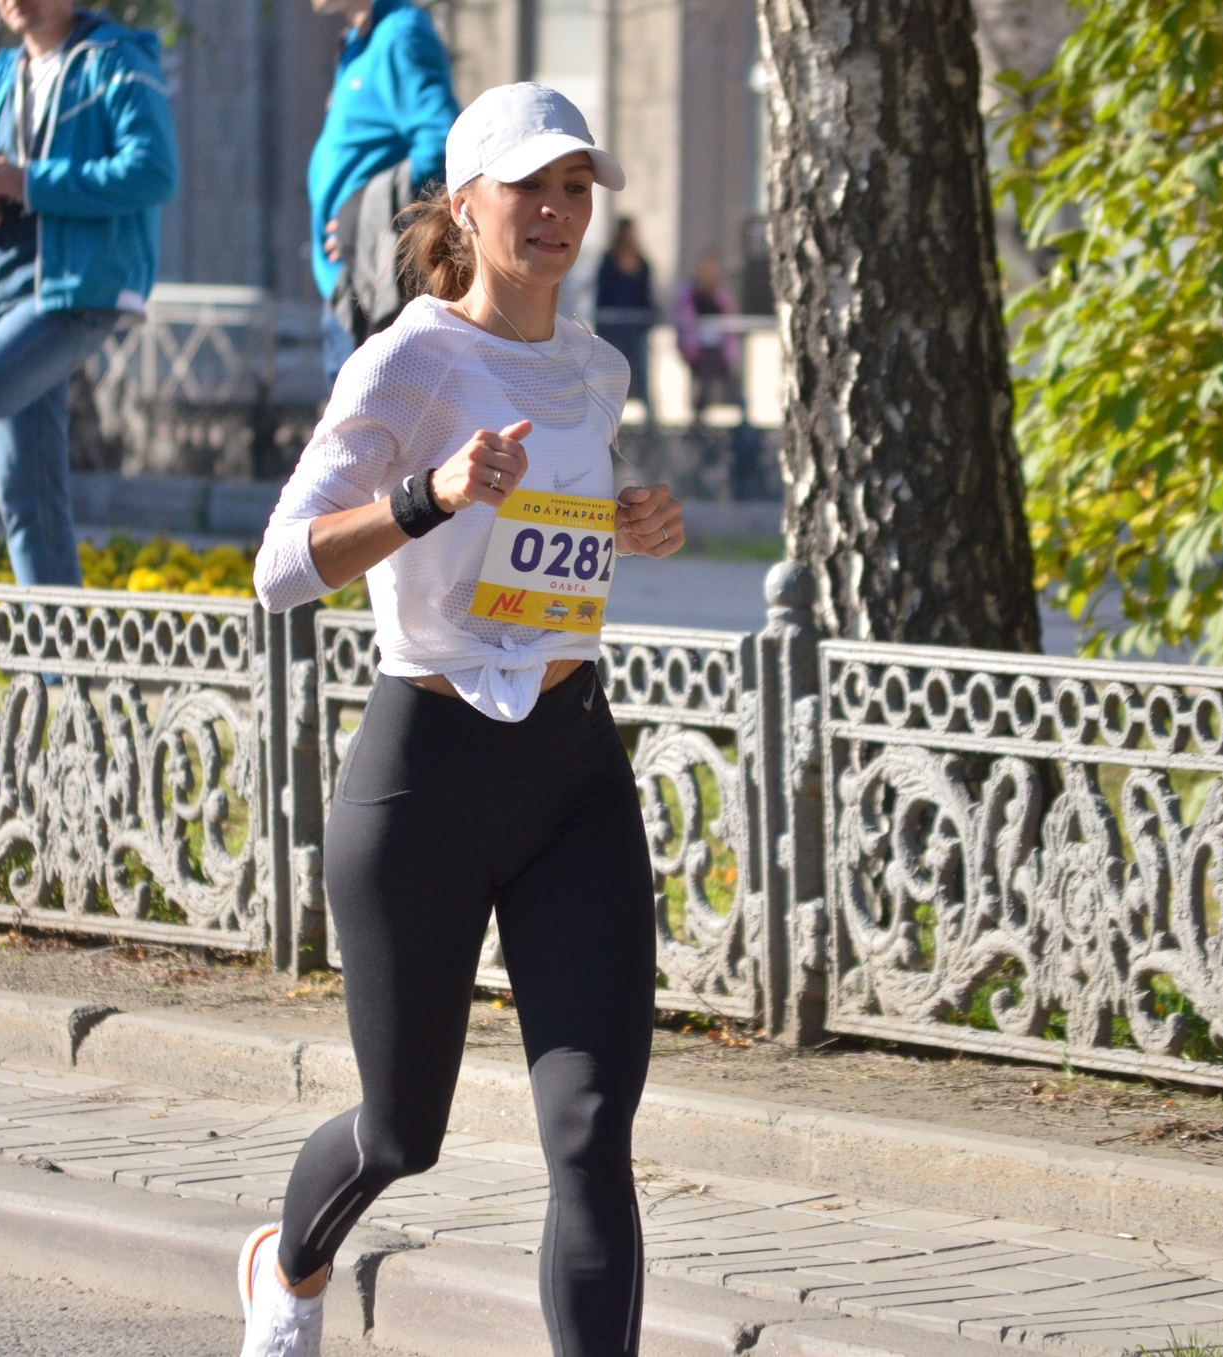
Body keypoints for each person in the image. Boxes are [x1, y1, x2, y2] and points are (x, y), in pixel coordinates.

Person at [243, 84, 685, 1357]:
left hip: (568, 771)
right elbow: (279, 569)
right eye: (527, 189)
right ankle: (289, 1265)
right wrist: (425, 498)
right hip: (422, 772)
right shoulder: (409, 358)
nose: (553, 214)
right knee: (401, 1134)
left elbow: (554, 548)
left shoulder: (593, 370)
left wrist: (633, 523)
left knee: (591, 1132)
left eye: (573, 190)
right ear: (466, 206)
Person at [0, 0, 177, 585]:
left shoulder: (116, 60)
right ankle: (65, 675)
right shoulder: (1, 74)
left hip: (77, 288)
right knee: (29, 497)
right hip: (5, 289)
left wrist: (30, 182)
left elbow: (154, 170)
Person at [307, 0, 460, 389]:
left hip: (373, 285)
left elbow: (441, 140)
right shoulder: (360, 42)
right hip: (349, 284)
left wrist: (362, 217)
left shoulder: (401, 31)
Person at [593, 218, 653, 407]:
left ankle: (650, 427)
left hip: (636, 328)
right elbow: (602, 293)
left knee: (642, 377)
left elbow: (647, 295)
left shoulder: (642, 262)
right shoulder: (608, 261)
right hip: (612, 330)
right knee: (609, 378)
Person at [674, 252, 740, 419]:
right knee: (699, 392)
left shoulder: (721, 295)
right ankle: (699, 430)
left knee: (723, 391)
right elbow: (686, 320)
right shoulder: (691, 293)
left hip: (718, 350)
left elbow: (728, 322)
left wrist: (731, 351)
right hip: (698, 350)